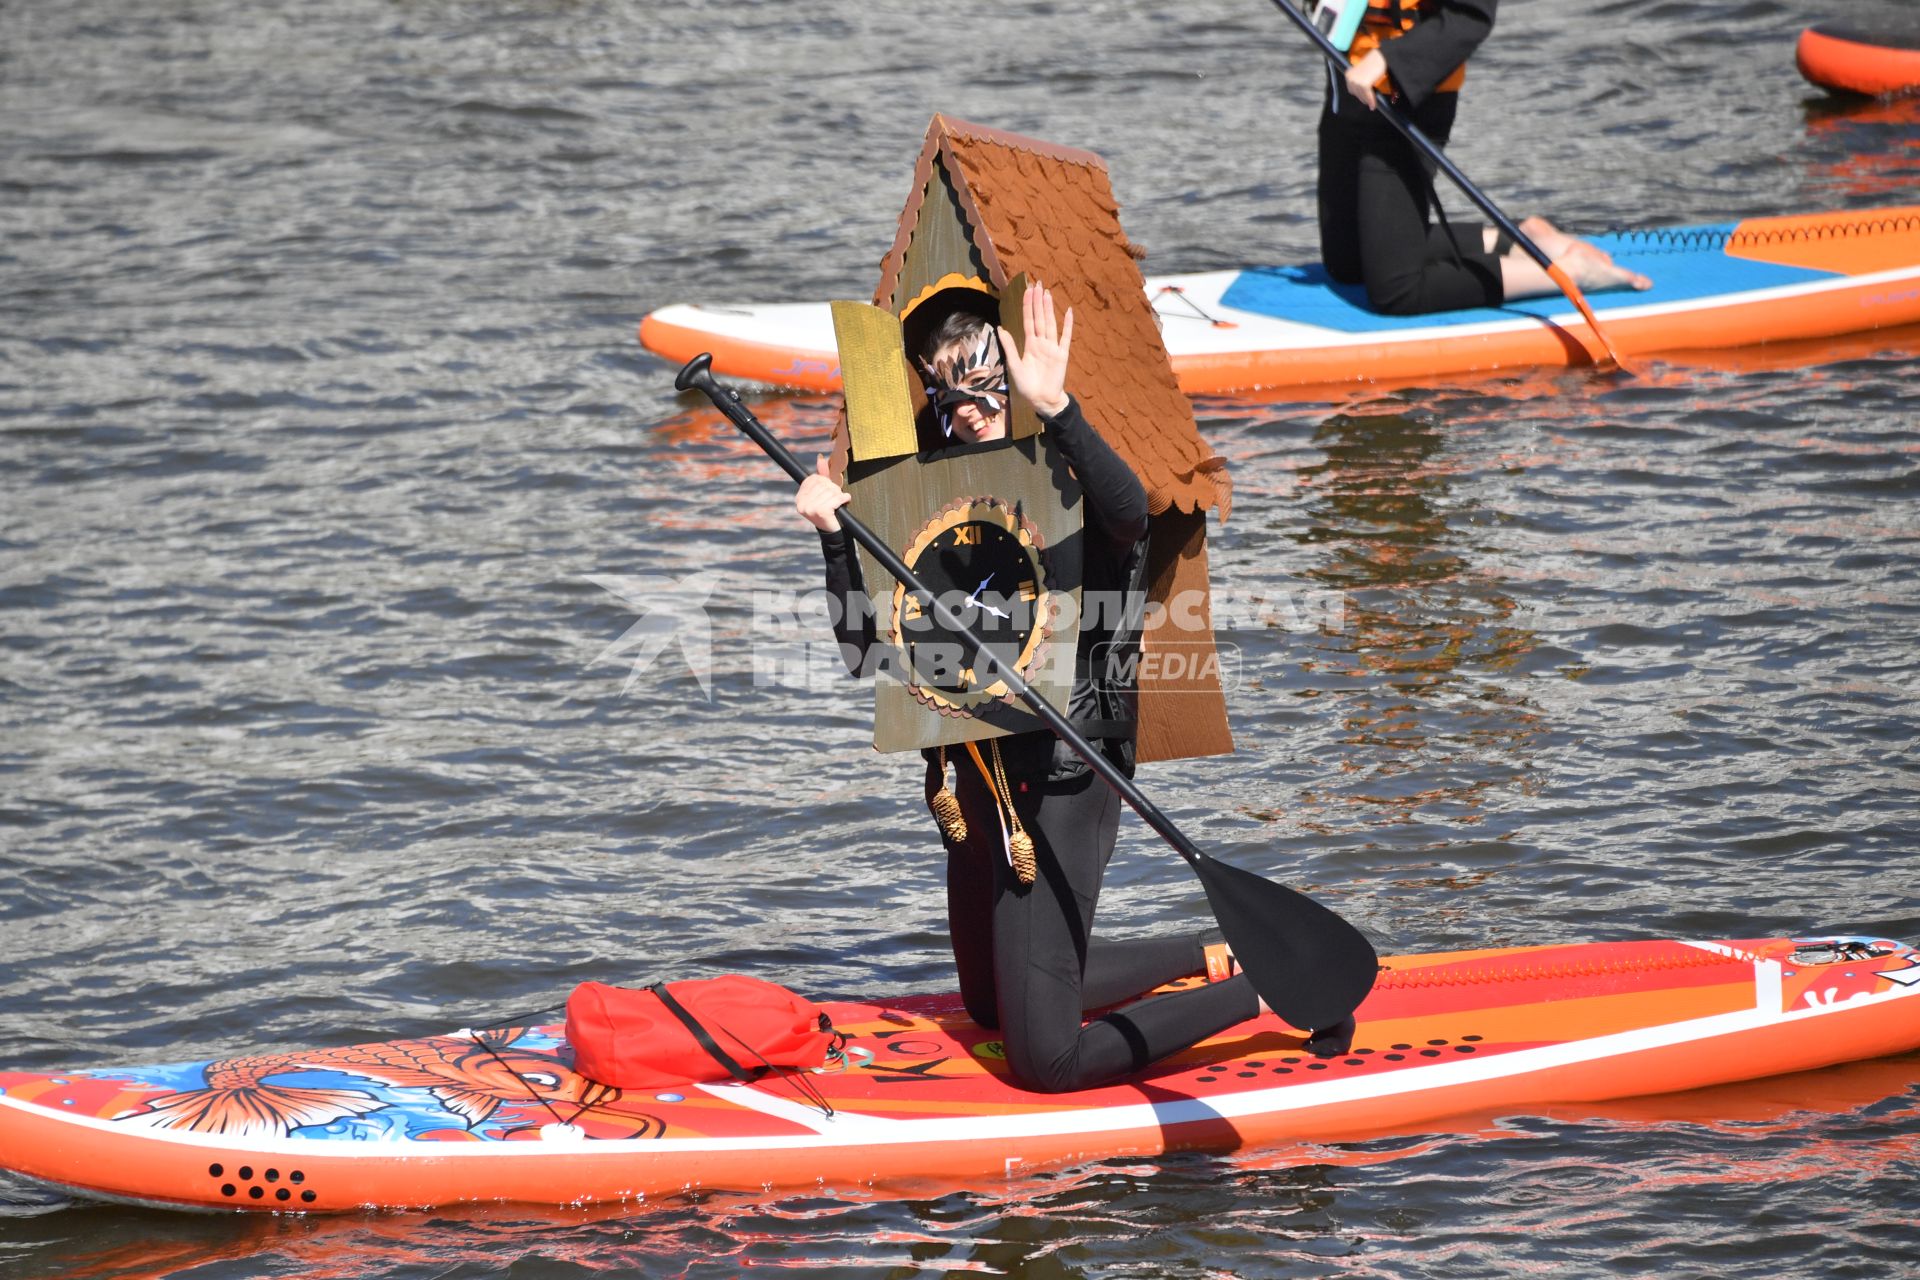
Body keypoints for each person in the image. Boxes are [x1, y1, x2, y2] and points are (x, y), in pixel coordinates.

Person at [794, 282, 1272, 1094]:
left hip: (1060, 779)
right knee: (986, 1003)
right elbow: (864, 656)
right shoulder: (930, 492)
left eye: (986, 384)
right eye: (951, 388)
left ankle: (1256, 993)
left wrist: (1057, 407)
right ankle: (1197, 954)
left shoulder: (1064, 472)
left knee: (1044, 1062)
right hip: (974, 777)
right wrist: (835, 542)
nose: (971, 406)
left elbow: (1132, 519)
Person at [1316, 0, 1651, 316]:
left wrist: (1388, 58)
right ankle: (1517, 239)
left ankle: (1571, 272)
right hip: (1345, 96)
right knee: (1347, 264)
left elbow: (1470, 17)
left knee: (1396, 292)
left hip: (1405, 104)